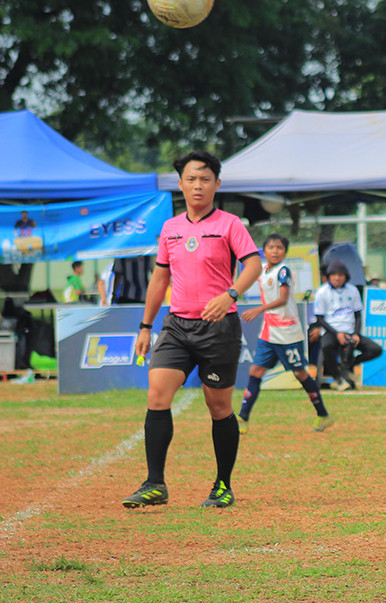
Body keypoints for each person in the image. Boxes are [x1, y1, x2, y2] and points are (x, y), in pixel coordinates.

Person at [122, 150, 262, 510]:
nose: (198, 185)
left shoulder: (230, 224)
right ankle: (155, 484)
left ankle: (223, 486)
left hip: (219, 328)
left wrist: (230, 294)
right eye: (191, 179)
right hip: (176, 327)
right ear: (180, 184)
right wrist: (145, 326)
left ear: (217, 184)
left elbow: (253, 264)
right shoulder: (170, 229)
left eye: (205, 179)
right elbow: (159, 279)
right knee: (157, 395)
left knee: (219, 406)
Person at [237, 233, 330, 435]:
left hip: (288, 332)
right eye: (271, 247)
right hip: (268, 332)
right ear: (264, 250)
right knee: (255, 371)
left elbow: (282, 299)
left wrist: (258, 309)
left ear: (285, 252)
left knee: (300, 374)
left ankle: (323, 414)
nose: (275, 251)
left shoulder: (283, 271)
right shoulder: (262, 270)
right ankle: (242, 418)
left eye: (279, 248)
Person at [309, 259, 382, 390]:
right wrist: (337, 334)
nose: (337, 278)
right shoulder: (322, 292)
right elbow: (320, 318)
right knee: (326, 346)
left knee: (375, 349)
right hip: (331, 331)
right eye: (333, 275)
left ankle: (348, 365)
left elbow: (358, 315)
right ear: (328, 276)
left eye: (340, 275)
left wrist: (356, 334)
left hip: (350, 330)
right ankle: (338, 378)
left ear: (346, 276)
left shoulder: (352, 290)